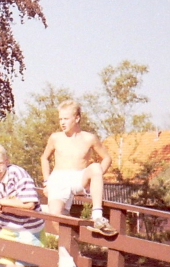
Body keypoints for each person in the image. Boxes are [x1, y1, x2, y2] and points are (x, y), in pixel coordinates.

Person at [40, 100, 117, 236]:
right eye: (60, 119)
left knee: (95, 167)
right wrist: (46, 181)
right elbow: (44, 158)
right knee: (56, 215)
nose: (62, 122)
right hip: (59, 179)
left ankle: (97, 216)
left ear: (77, 118)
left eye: (66, 119)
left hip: (78, 177)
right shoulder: (55, 138)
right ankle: (71, 245)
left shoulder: (89, 138)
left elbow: (107, 158)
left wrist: (95, 179)